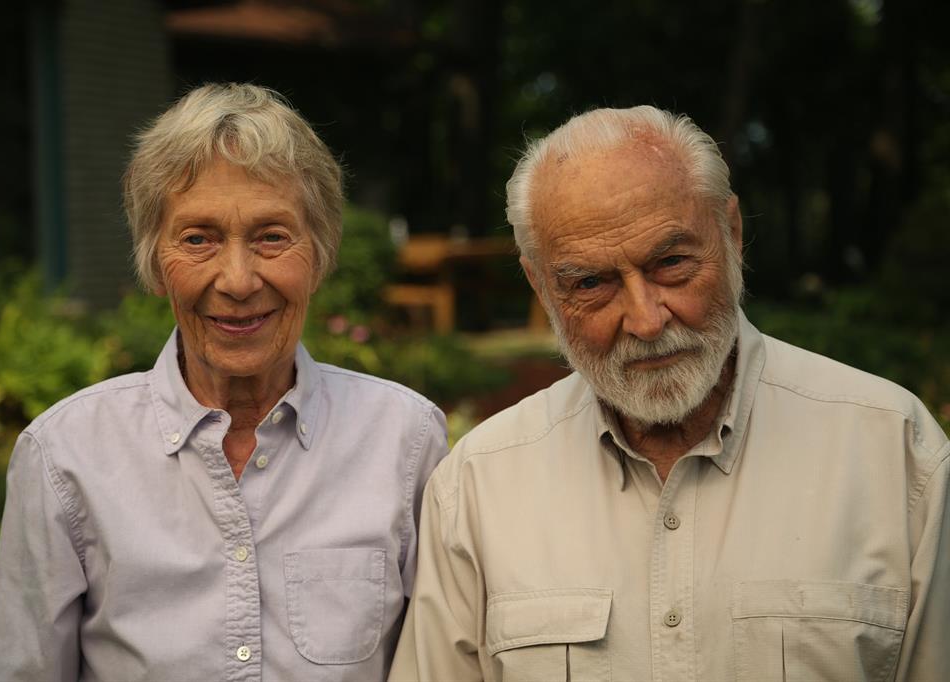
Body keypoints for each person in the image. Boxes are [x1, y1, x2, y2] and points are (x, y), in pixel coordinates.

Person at [390, 106, 949, 681]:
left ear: (732, 234)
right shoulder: (479, 487)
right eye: (590, 282)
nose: (646, 320)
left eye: (672, 264)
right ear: (540, 285)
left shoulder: (895, 453)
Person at [0, 83, 448, 682]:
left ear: (320, 254)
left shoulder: (405, 442)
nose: (237, 279)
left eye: (271, 237)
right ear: (155, 261)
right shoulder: (64, 456)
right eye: (198, 239)